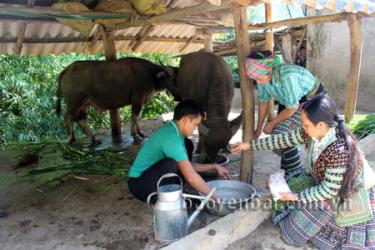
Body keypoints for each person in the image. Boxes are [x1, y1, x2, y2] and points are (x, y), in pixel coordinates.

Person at [231, 94, 375, 249]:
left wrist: (296, 198)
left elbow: (328, 191)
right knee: (292, 183)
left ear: (320, 125)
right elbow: (283, 139)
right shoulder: (316, 131)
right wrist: (249, 145)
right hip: (326, 186)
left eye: (306, 124)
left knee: (293, 233)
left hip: (346, 195)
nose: (303, 128)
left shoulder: (338, 150)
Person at [128, 99, 230, 202]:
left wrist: (215, 166)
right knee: (170, 164)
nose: (195, 129)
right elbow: (190, 176)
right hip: (139, 185)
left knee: (188, 144)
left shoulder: (175, 129)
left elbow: (187, 166)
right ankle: (164, 199)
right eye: (195, 124)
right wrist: (214, 196)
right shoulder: (171, 139)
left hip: (150, 176)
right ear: (186, 120)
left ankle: (178, 189)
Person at [245, 50, 325, 178]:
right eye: (255, 80)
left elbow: (292, 107)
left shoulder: (288, 77)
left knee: (281, 132)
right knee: (282, 135)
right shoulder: (263, 78)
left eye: (259, 79)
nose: (258, 83)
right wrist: (258, 129)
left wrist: (271, 123)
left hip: (313, 100)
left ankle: (296, 176)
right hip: (291, 101)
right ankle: (288, 172)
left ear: (269, 71)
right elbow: (263, 102)